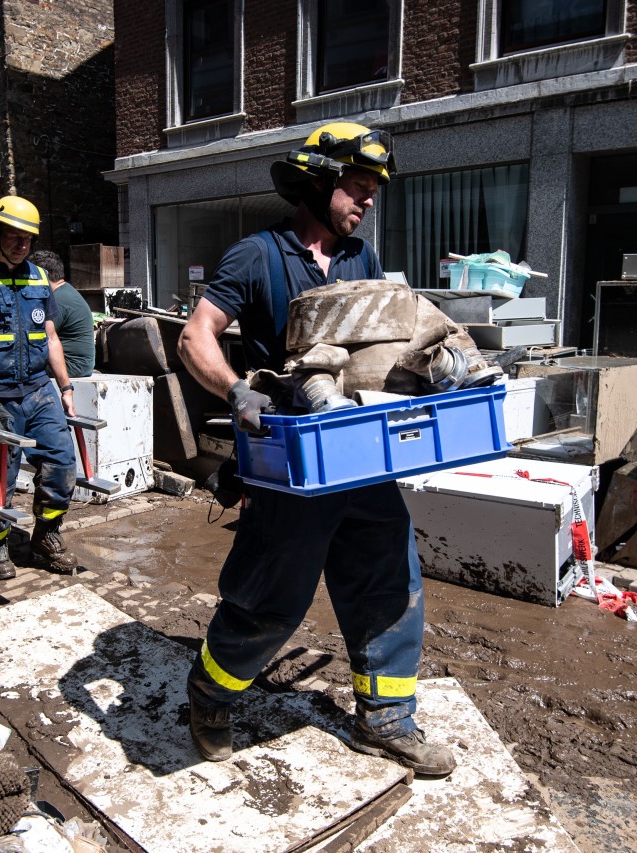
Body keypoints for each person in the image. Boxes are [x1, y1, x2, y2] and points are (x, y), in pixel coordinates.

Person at [175, 122, 456, 778]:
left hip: (359, 454)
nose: (367, 201)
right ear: (319, 181)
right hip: (293, 464)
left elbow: (379, 354)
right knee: (274, 595)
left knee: (389, 578)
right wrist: (241, 393)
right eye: (357, 187)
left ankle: (385, 719)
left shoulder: (363, 262)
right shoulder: (257, 255)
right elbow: (195, 338)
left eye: (372, 191)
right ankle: (211, 695)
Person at [0, 196, 81, 581]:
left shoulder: (40, 279)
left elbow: (51, 338)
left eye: (28, 238)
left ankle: (46, 537)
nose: (21, 244)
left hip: (40, 391)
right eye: (13, 236)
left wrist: (67, 387)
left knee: (61, 463)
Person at [29, 249, 95, 377]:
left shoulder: (58, 300)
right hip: (78, 365)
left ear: (45, 275)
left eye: (30, 275)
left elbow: (38, 337)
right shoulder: (65, 292)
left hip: (71, 366)